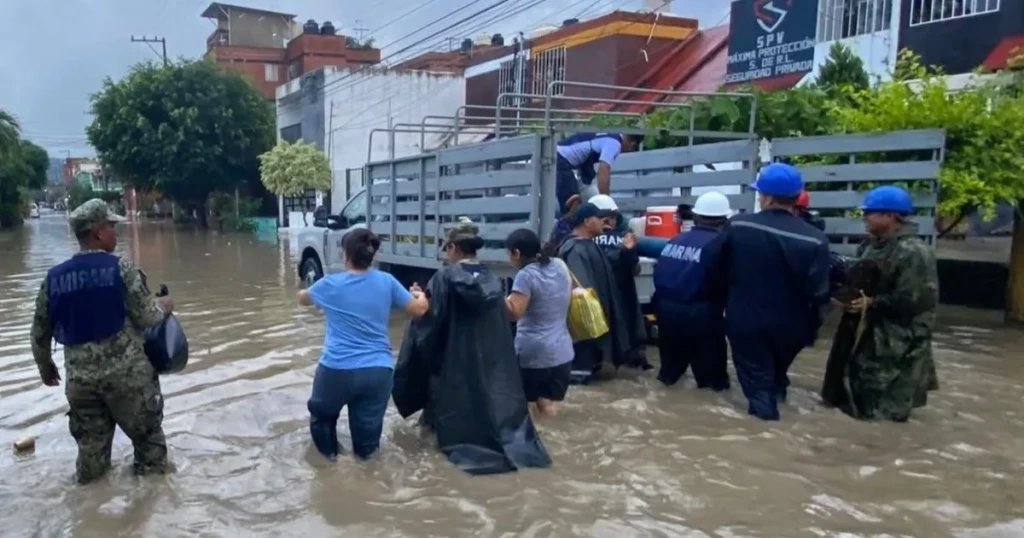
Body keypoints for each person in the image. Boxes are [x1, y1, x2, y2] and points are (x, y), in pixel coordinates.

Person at [30, 198, 174, 484]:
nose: (115, 231)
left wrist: (45, 368)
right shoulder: (121, 269)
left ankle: (92, 518)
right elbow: (148, 318)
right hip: (129, 381)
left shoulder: (54, 278)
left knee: (91, 461)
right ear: (96, 232)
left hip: (81, 385)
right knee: (150, 453)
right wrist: (165, 305)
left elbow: (39, 333)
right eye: (110, 226)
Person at [409, 221, 551, 474]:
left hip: (452, 365)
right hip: (486, 363)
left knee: (432, 426)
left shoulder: (443, 278)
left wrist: (419, 299)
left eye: (446, 248)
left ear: (453, 247)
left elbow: (430, 324)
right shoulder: (492, 280)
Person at [705, 163, 831, 421]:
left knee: (758, 389)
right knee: (775, 375)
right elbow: (819, 293)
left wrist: (729, 293)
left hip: (748, 323)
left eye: (760, 194)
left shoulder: (739, 226)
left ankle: (766, 436)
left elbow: (711, 263)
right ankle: (779, 404)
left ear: (769, 197)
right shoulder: (816, 239)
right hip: (794, 329)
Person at [298, 229, 429, 461]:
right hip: (378, 371)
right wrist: (420, 295)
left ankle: (329, 469)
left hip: (336, 370)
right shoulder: (387, 282)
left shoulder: (329, 285)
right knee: (368, 444)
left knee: (322, 419)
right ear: (372, 255)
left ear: (345, 254)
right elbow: (418, 310)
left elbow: (303, 299)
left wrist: (311, 292)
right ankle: (369, 482)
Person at [822, 186, 939, 422]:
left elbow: (915, 300)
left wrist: (871, 303)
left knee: (886, 410)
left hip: (899, 342)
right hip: (864, 334)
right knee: (852, 396)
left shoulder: (914, 252)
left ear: (890, 215)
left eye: (870, 213)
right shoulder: (869, 246)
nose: (864, 217)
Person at [652, 191, 732, 391]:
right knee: (712, 386)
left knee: (669, 377)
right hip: (702, 315)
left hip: (666, 313)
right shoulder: (722, 244)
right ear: (725, 219)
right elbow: (725, 283)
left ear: (695, 217)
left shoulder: (676, 240)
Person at [556, 203, 636, 384]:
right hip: (583, 332)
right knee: (581, 374)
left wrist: (624, 249)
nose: (604, 222)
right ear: (586, 221)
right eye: (599, 219)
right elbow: (580, 297)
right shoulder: (575, 249)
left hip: (592, 328)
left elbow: (604, 264)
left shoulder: (587, 245)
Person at [504, 228, 573, 417]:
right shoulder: (559, 265)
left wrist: (496, 295)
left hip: (535, 356)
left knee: (524, 407)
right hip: (563, 353)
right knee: (547, 404)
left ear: (516, 253)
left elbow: (514, 313)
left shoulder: (525, 276)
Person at [589, 194, 650, 370]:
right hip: (624, 297)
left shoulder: (585, 239)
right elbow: (635, 269)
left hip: (596, 298)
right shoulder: (626, 238)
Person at [555, 132, 636, 213]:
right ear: (632, 145)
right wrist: (606, 202)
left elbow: (586, 152)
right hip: (561, 157)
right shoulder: (615, 143)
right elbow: (603, 171)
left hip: (564, 154)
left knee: (587, 184)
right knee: (572, 205)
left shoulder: (608, 134)